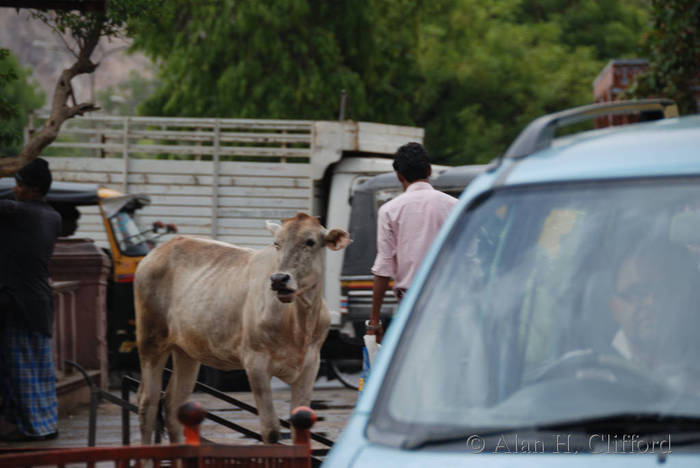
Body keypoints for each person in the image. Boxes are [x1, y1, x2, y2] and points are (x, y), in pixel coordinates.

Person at [366, 143, 458, 343]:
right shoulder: (455, 206)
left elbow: (383, 268)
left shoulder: (390, 211)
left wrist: (374, 322)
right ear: (429, 170)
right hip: (452, 303)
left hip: (411, 305)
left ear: (399, 176)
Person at [0, 158, 62, 441]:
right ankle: (43, 424)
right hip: (37, 301)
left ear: (33, 189)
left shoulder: (20, 212)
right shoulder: (52, 215)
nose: (15, 190)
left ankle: (36, 429)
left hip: (21, 303)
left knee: (24, 369)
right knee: (37, 369)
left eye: (20, 185)